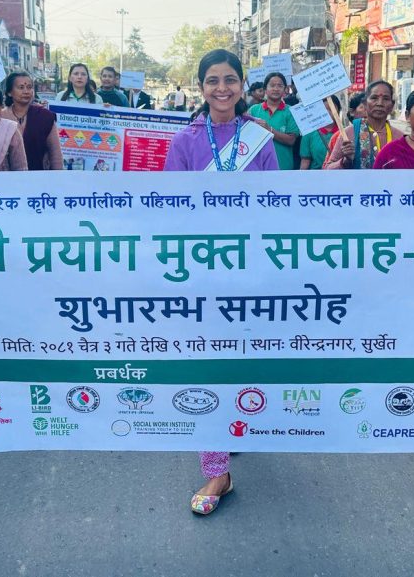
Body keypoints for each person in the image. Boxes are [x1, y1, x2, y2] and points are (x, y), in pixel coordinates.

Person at [163, 48, 278, 515]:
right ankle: (217, 471)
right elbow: (168, 208)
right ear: (201, 86)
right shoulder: (185, 140)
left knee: (245, 359)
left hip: (250, 268)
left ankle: (241, 422)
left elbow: (277, 205)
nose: (222, 88)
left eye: (231, 79)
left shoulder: (260, 140)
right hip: (201, 270)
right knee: (205, 366)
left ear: (242, 84)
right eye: (212, 80)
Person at [324, 80, 402, 169]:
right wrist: (346, 160)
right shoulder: (349, 133)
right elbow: (327, 170)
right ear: (365, 104)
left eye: (386, 98)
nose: (380, 103)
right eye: (374, 98)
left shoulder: (399, 137)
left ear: (392, 106)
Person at [1, 71, 63, 170]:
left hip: (39, 178)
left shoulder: (44, 116)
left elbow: (55, 153)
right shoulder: (1, 117)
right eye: (21, 87)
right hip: (8, 178)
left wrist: (58, 178)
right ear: (9, 92)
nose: (26, 91)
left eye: (29, 87)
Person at [248, 72, 300, 170]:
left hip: (283, 168)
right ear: (265, 90)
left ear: (285, 89)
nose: (276, 89)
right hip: (258, 168)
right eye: (272, 85)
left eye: (280, 86)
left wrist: (269, 130)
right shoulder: (253, 110)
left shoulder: (291, 111)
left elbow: (291, 140)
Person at [299, 96, 341, 170]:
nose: (328, 112)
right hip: (315, 177)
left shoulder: (344, 133)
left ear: (338, 110)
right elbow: (305, 161)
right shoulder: (309, 133)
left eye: (331, 108)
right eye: (324, 109)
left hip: (338, 176)